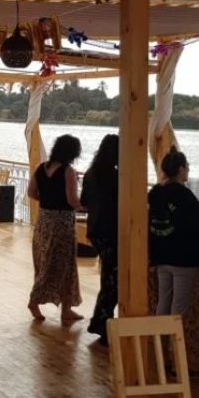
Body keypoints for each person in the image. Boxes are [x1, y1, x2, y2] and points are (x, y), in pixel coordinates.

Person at [148, 148, 199, 320]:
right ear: (181, 169)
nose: (188, 170)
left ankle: (160, 337)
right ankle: (174, 339)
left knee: (163, 301)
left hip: (161, 253)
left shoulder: (155, 192)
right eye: (187, 167)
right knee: (179, 306)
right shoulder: (183, 194)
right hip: (183, 257)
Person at [27, 135, 83, 324]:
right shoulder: (68, 171)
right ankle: (35, 300)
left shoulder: (41, 168)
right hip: (62, 223)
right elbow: (72, 201)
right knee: (62, 265)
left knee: (45, 261)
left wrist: (47, 201)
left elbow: (31, 192)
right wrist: (87, 206)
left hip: (44, 221)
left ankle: (66, 309)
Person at [80, 134, 119, 344]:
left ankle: (101, 322)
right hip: (111, 232)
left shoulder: (91, 173)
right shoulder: (116, 177)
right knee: (112, 281)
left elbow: (84, 201)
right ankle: (102, 323)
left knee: (109, 278)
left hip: (95, 230)